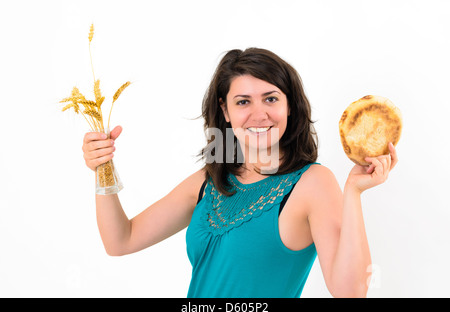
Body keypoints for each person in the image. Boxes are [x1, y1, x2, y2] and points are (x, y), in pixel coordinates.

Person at [82, 48, 398, 298]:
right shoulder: (208, 183)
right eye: (243, 101)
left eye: (271, 98)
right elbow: (120, 241)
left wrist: (354, 193)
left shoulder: (311, 183)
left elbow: (351, 291)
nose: (258, 114)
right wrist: (103, 170)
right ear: (225, 111)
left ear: (289, 106)